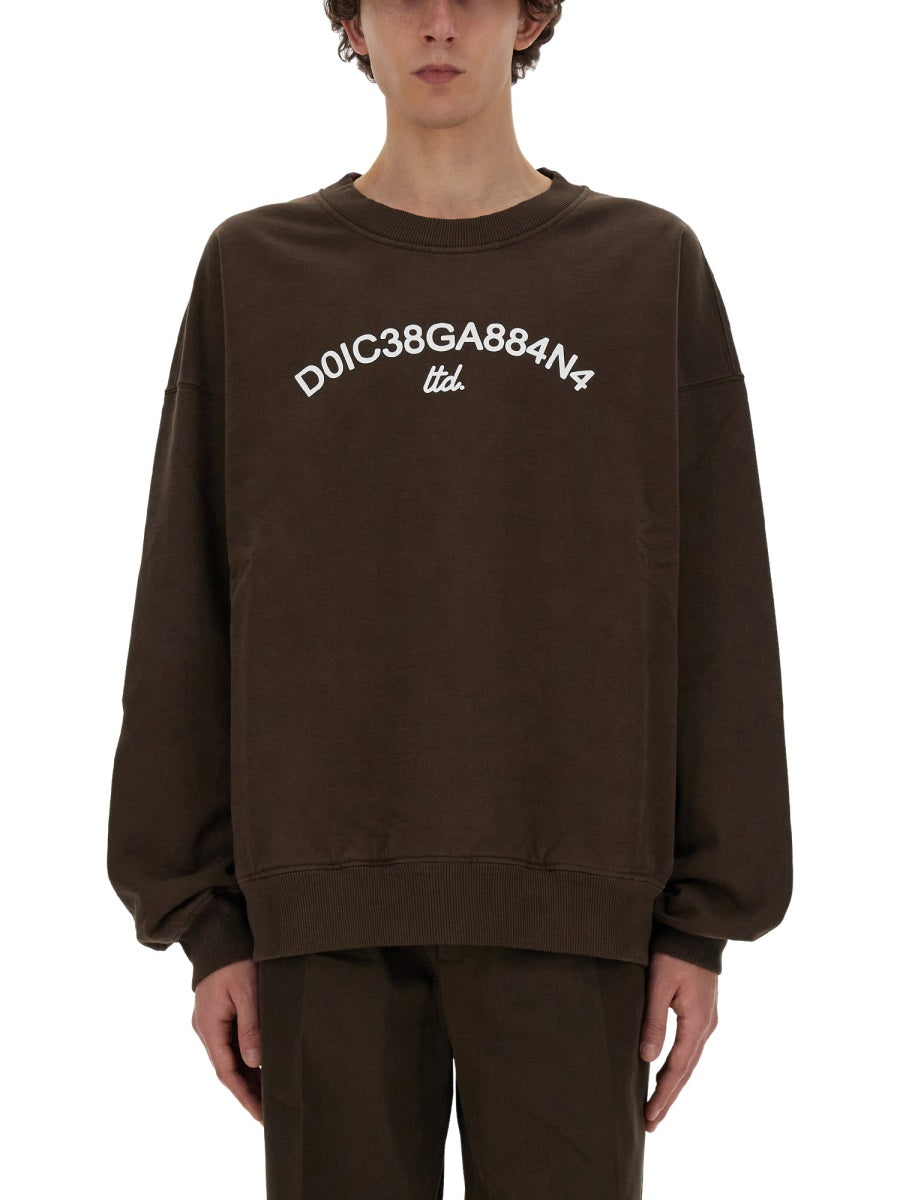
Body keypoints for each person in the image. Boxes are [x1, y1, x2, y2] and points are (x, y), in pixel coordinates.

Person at [106, 2, 793, 1196]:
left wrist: (701, 917)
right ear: (351, 20)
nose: (437, 21)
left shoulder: (645, 270)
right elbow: (186, 601)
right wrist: (205, 920)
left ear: (531, 15)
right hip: (317, 912)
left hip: (578, 905)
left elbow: (721, 601)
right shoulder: (256, 271)